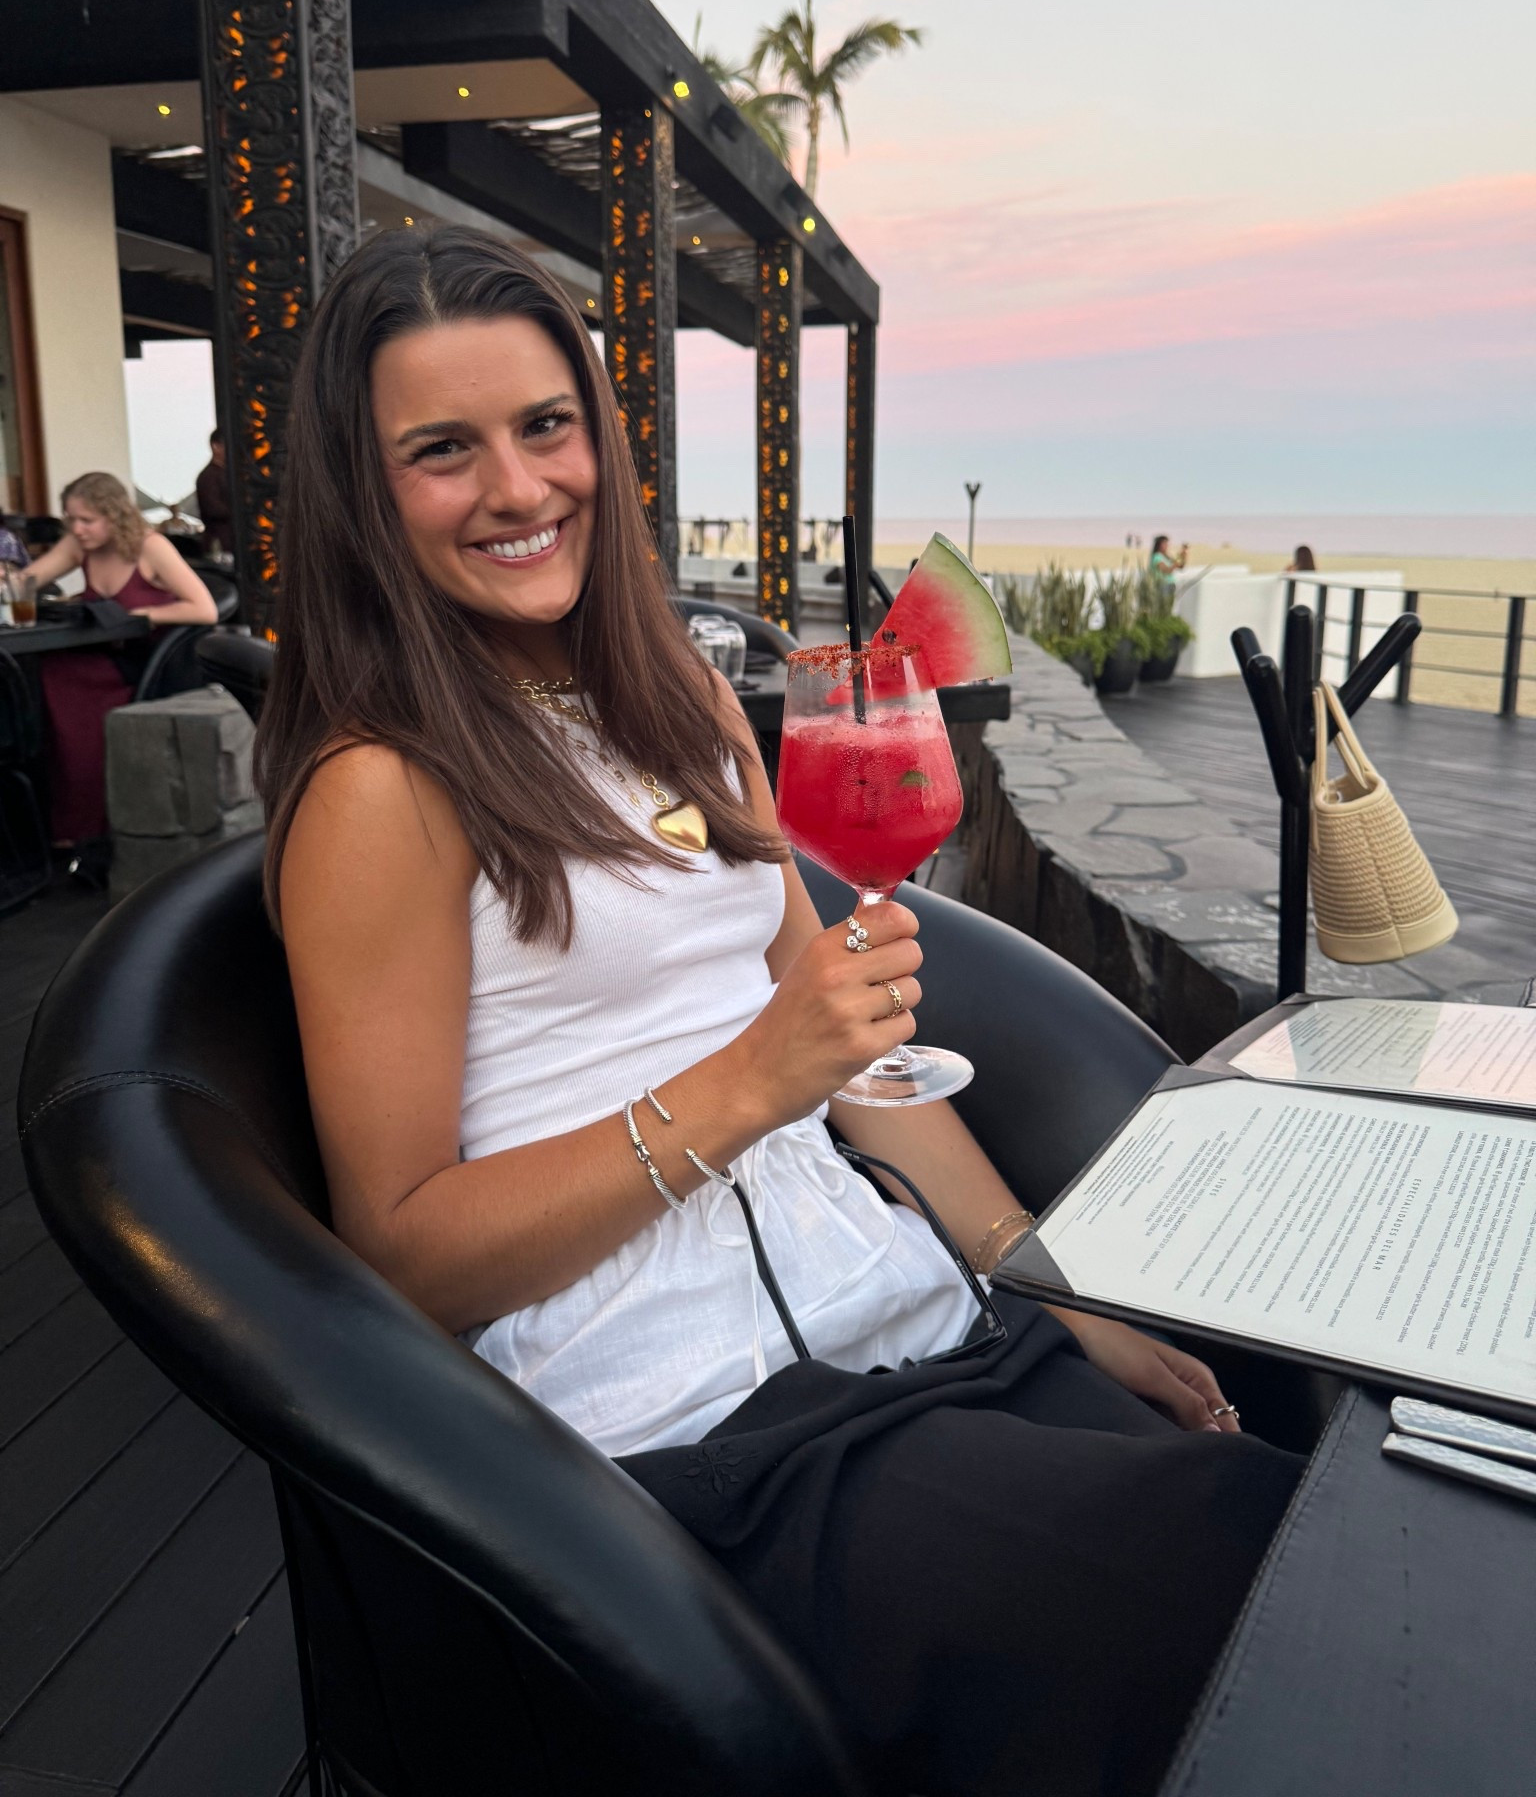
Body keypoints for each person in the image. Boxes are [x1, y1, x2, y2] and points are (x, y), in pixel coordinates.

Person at [261, 228, 1301, 1797]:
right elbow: (401, 1257)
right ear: (363, 488)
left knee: (1293, 1516)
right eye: (441, 452)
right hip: (696, 1429)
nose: (520, 487)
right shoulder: (380, 790)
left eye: (547, 426)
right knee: (1246, 1602)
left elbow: (849, 1045)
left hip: (912, 1320)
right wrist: (752, 1081)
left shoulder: (671, 695)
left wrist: (1051, 1282)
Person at [27, 471, 218, 852]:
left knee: (57, 679)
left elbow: (205, 608)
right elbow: (29, 579)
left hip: (147, 662)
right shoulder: (80, 545)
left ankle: (88, 826)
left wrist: (144, 615)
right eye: (71, 519)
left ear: (113, 516)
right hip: (103, 655)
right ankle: (68, 822)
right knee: (43, 672)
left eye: (86, 520)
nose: (77, 529)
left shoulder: (151, 547)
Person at [195, 429, 236, 556]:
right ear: (216, 446)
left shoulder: (230, 474)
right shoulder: (208, 477)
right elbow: (213, 508)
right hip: (220, 543)